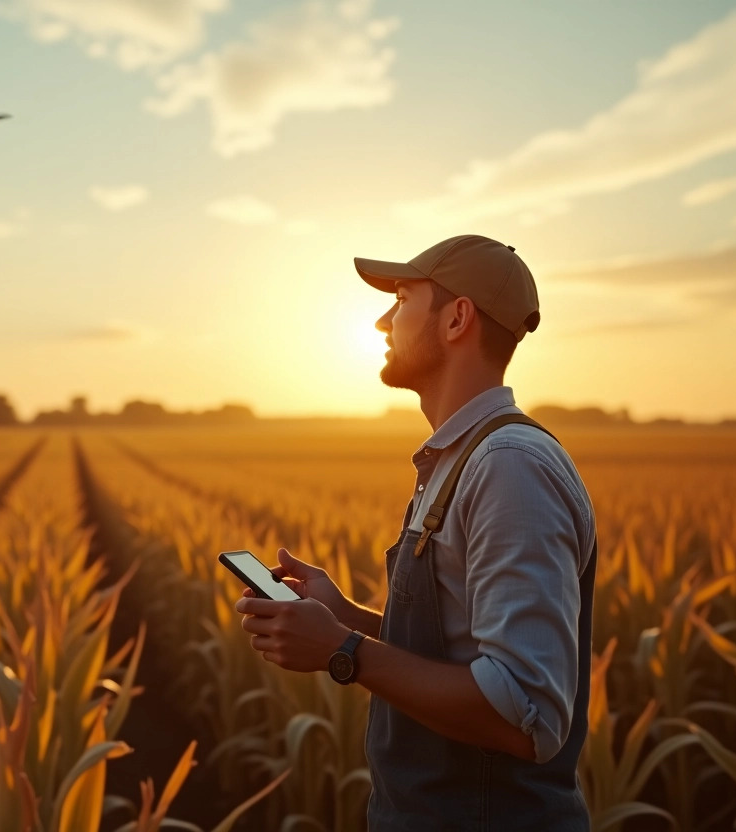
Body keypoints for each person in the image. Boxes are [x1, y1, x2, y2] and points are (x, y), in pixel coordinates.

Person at [234, 234, 597, 830]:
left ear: (457, 319)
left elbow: (523, 711)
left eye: (402, 298)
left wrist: (342, 651)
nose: (382, 320)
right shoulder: (460, 458)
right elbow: (464, 654)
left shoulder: (509, 466)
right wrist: (346, 617)